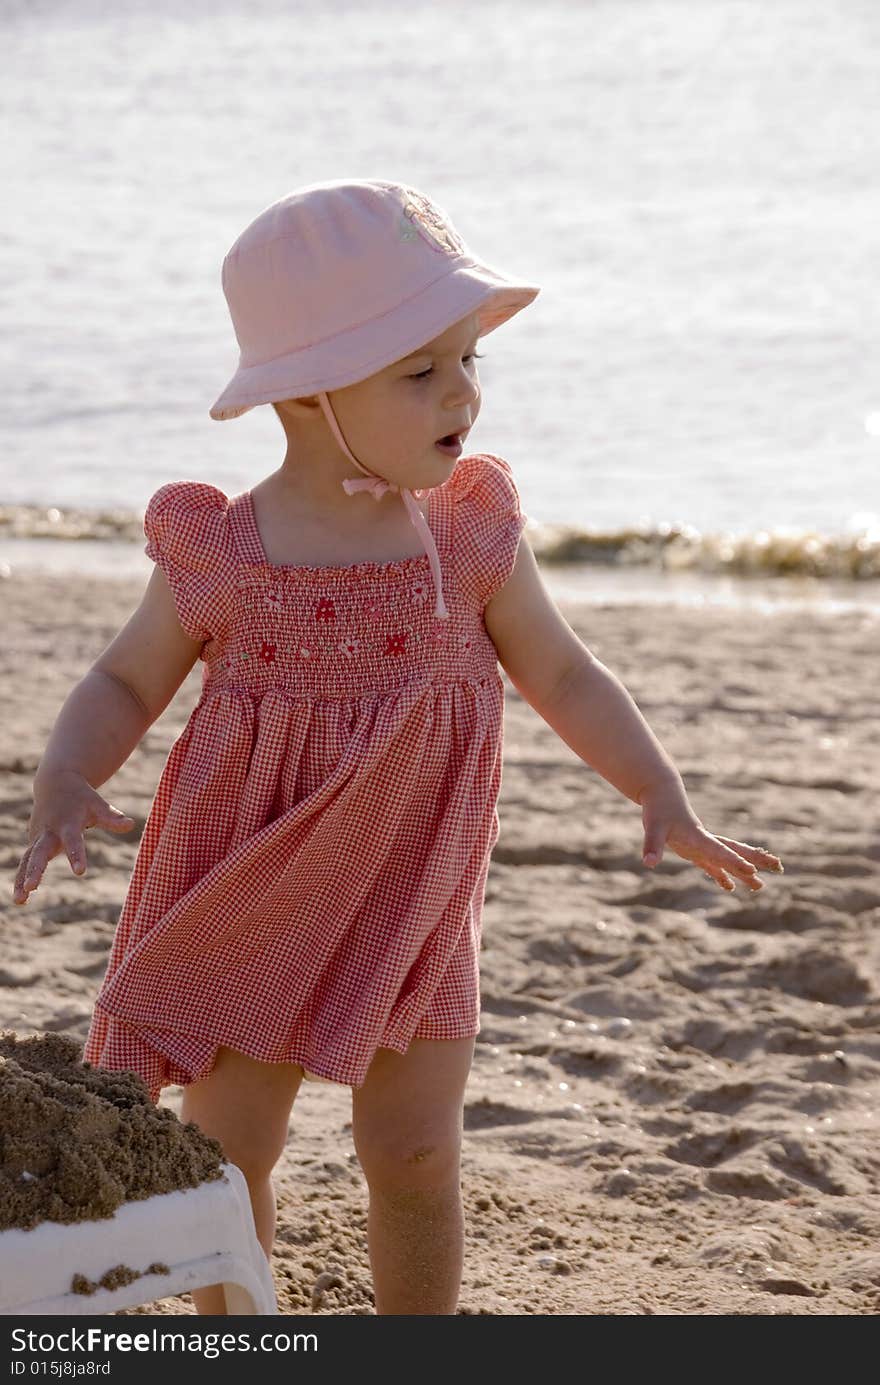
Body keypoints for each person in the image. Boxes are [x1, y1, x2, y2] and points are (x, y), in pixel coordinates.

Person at [11, 179, 783, 1316]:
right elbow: (126, 675)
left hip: (416, 896)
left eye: (469, 359)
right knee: (229, 1155)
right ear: (310, 391)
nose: (461, 391)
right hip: (258, 894)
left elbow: (562, 669)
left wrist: (657, 788)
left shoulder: (469, 530)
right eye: (419, 371)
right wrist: (68, 773)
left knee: (417, 1156)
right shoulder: (229, 551)